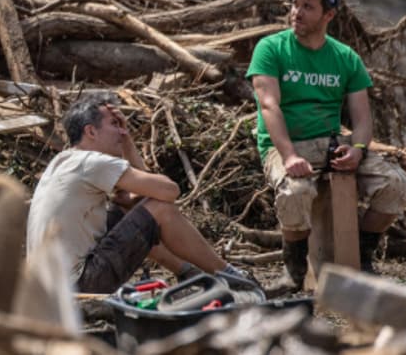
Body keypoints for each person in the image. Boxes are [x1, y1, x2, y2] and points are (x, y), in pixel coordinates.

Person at [247, 0, 406, 295]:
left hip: (331, 142)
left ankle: (362, 260)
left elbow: (362, 119)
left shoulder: (344, 58)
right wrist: (289, 155)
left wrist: (358, 150)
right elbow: (269, 108)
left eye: (308, 6)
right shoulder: (270, 49)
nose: (297, 12)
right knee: (295, 193)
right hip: (285, 145)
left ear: (329, 15)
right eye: (295, 4)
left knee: (399, 185)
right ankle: (294, 272)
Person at [25, 93, 252, 294]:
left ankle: (188, 273)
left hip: (50, 289)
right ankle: (231, 276)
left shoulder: (63, 161)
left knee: (131, 209)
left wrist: (127, 146)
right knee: (160, 209)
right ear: (91, 131)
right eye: (115, 124)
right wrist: (129, 145)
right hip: (80, 285)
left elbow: (142, 197)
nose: (122, 131)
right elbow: (168, 191)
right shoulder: (91, 162)